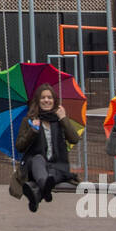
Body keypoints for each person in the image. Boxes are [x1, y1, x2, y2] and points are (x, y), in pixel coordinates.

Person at [16, 84, 83, 212]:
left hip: (56, 165)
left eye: (49, 97)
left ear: (54, 100)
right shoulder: (29, 121)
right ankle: (44, 188)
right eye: (43, 98)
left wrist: (63, 118)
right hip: (36, 165)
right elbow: (19, 146)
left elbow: (74, 139)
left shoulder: (59, 120)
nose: (46, 100)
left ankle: (37, 195)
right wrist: (32, 131)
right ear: (37, 101)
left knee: (53, 175)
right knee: (38, 160)